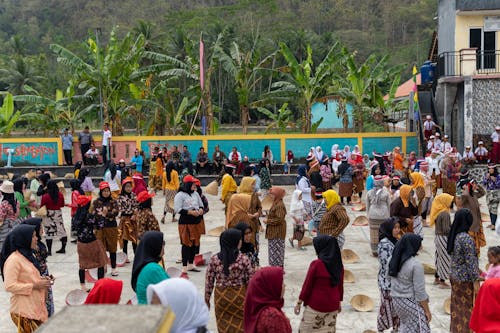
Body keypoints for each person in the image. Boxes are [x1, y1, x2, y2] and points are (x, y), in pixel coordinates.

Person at [1, 224, 52, 332]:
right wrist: (35, 285)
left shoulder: (28, 256)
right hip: (24, 311)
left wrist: (43, 281)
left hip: (35, 307)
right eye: (33, 236)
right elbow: (9, 286)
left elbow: (29, 278)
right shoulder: (13, 260)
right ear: (24, 239)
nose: (36, 238)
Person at [205, 229, 254, 333]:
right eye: (239, 239)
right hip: (240, 298)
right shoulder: (243, 259)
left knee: (224, 327)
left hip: (221, 298)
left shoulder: (214, 259)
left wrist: (207, 300)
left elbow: (209, 282)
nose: (241, 241)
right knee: (242, 326)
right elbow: (251, 281)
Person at [295, 235, 344, 333]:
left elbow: (307, 286)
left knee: (306, 329)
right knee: (327, 329)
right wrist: (339, 302)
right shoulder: (339, 265)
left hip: (317, 305)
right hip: (333, 305)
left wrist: (299, 303)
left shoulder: (317, 264)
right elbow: (340, 286)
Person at [389, 234, 431, 333]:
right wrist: (427, 311)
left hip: (397, 302)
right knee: (420, 329)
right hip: (411, 303)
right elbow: (420, 292)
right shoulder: (416, 265)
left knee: (406, 327)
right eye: (419, 243)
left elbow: (388, 277)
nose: (421, 246)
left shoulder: (394, 260)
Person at [447, 208, 479, 333]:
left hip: (454, 276)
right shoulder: (466, 239)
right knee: (466, 308)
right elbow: (470, 263)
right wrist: (476, 280)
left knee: (456, 307)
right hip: (464, 279)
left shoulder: (455, 235)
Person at [244, 266, 292, 333]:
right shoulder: (273, 317)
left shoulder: (258, 308)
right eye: (281, 282)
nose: (284, 285)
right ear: (270, 287)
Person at [74, 194, 106, 291]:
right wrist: (103, 215)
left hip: (80, 243)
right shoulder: (89, 216)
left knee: (82, 264)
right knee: (100, 262)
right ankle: (100, 284)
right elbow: (100, 226)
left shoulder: (77, 215)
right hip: (91, 242)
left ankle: (83, 286)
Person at [23, 218, 54, 317]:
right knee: (42, 302)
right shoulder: (30, 247)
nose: (42, 229)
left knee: (48, 301)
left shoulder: (39, 242)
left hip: (44, 275)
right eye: (40, 227)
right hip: (38, 278)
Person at [174, 175, 204, 277]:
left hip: (196, 222)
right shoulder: (180, 195)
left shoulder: (195, 194)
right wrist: (190, 212)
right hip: (185, 222)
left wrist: (200, 209)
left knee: (195, 243)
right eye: (192, 184)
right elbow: (178, 209)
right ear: (187, 184)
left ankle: (191, 264)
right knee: (186, 244)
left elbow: (201, 204)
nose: (194, 186)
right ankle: (184, 266)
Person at [131, 230, 169, 304]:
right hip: (152, 311)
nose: (164, 250)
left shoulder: (144, 264)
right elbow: (170, 291)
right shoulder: (153, 269)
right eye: (162, 245)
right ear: (154, 247)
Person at [376, 218, 400, 333]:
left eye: (398, 227)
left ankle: (396, 328)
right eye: (395, 228)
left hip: (396, 281)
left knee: (396, 307)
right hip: (386, 282)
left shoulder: (396, 241)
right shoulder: (384, 244)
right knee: (386, 307)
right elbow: (386, 265)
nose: (397, 230)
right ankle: (381, 327)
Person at [92, 181, 119, 276]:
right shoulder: (96, 202)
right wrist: (94, 227)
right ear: (101, 191)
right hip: (100, 228)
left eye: (108, 191)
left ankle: (114, 267)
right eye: (104, 191)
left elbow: (116, 212)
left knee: (112, 248)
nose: (106, 193)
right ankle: (103, 265)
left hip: (111, 227)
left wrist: (105, 214)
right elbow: (94, 215)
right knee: (101, 248)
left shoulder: (113, 201)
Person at [429, 193, 454, 289]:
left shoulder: (438, 211)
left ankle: (436, 278)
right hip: (444, 238)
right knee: (445, 259)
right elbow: (446, 229)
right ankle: (442, 281)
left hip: (438, 237)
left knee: (439, 258)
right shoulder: (445, 214)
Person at [459, 181, 486, 256]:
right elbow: (463, 197)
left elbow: (483, 193)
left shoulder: (474, 194)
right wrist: (467, 188)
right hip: (470, 221)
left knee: (477, 237)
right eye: (474, 184)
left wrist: (478, 187)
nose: (475, 185)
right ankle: (470, 253)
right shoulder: (466, 195)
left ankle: (476, 253)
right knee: (471, 237)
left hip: (477, 219)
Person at [366, 175, 391, 256]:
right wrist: (389, 215)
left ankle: (374, 251)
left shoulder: (369, 193)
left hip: (373, 215)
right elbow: (389, 205)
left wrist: (368, 215)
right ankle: (383, 249)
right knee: (384, 233)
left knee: (373, 233)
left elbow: (367, 206)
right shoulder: (386, 192)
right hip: (384, 215)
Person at [40, 180, 66, 255]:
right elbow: (62, 205)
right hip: (57, 213)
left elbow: (42, 206)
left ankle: (49, 251)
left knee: (49, 232)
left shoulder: (45, 196)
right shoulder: (60, 195)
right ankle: (63, 248)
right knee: (61, 230)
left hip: (48, 214)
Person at [263, 187, 287, 268]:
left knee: (277, 254)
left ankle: (277, 271)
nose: (271, 196)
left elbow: (279, 219)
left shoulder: (279, 205)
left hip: (277, 233)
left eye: (273, 194)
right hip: (274, 232)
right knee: (274, 253)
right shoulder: (276, 202)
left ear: (278, 195)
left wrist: (268, 221)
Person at [117, 177, 139, 257]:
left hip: (133, 219)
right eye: (127, 187)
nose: (129, 188)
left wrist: (134, 214)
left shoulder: (134, 195)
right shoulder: (120, 196)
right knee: (125, 238)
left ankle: (136, 255)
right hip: (124, 219)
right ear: (123, 187)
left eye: (130, 186)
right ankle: (125, 256)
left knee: (134, 238)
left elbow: (137, 205)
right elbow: (120, 208)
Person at [483, 164, 500, 230]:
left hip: (496, 194)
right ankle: (492, 223)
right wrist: (486, 179)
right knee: (490, 208)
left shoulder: (498, 176)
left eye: (492, 168)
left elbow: (499, 185)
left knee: (494, 208)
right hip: (488, 194)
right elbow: (483, 184)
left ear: (494, 169)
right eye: (489, 168)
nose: (490, 170)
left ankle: (493, 224)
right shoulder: (486, 175)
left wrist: (495, 180)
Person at [409, 171, 426, 237]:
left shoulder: (420, 188)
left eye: (412, 178)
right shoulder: (413, 186)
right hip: (413, 210)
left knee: (417, 229)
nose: (411, 180)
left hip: (417, 211)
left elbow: (417, 200)